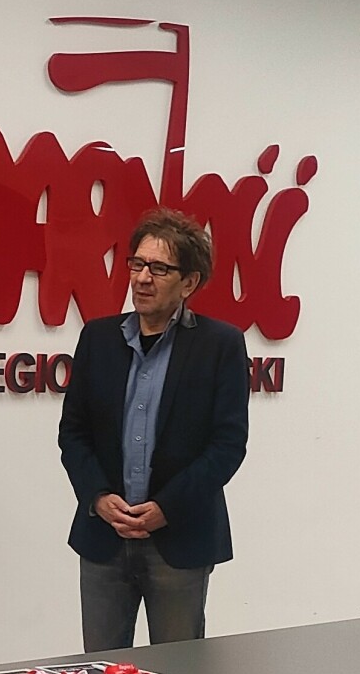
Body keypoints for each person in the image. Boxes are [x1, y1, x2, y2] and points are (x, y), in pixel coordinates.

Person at [57, 207, 250, 650]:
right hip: (104, 539)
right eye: (137, 264)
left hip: (179, 540)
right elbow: (73, 432)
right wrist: (97, 497)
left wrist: (167, 506)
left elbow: (227, 445)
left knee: (178, 672)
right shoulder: (98, 339)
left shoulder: (220, 345)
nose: (143, 278)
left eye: (159, 269)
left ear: (189, 282)